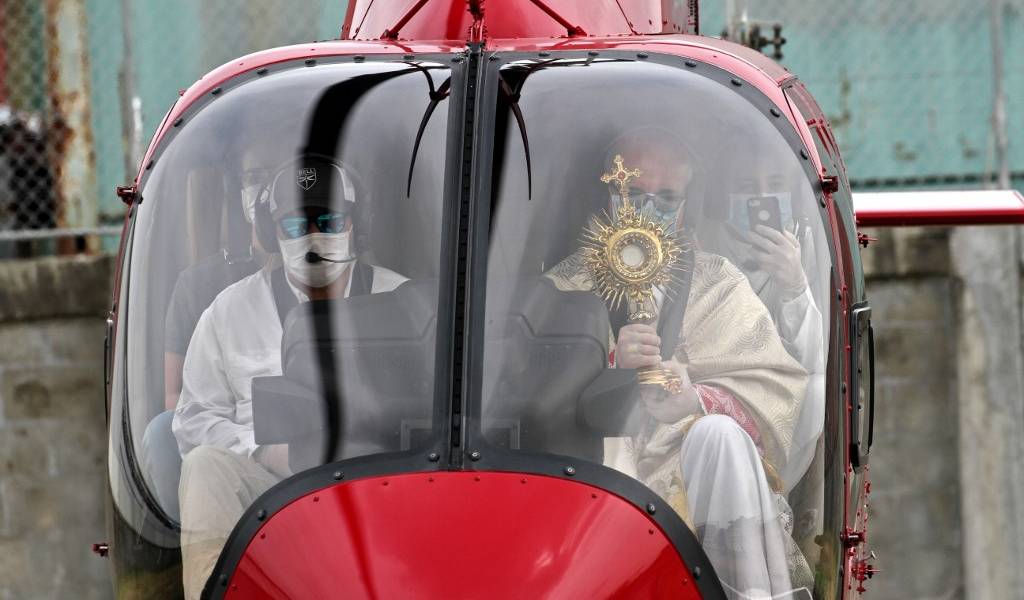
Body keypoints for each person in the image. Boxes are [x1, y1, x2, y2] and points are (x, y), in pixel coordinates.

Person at [545, 129, 810, 599]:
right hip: (594, 465)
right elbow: (526, 395)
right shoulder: (562, 287)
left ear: (687, 203)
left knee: (720, 434)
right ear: (607, 195)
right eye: (635, 193)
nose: (650, 209)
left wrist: (698, 399)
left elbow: (776, 385)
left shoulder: (720, 282)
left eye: (667, 196)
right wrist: (607, 366)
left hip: (689, 461)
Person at [172, 154, 406, 599]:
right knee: (204, 467)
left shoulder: (404, 300)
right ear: (270, 233)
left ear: (358, 224)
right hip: (273, 497)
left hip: (385, 493)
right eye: (295, 226)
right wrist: (263, 452)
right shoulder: (228, 312)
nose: (313, 236)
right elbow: (192, 419)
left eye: (330, 221)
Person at [141, 147, 269, 520]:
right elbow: (177, 401)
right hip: (237, 445)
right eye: (253, 178)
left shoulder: (337, 277)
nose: (265, 191)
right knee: (164, 433)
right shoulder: (202, 288)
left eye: (277, 174)